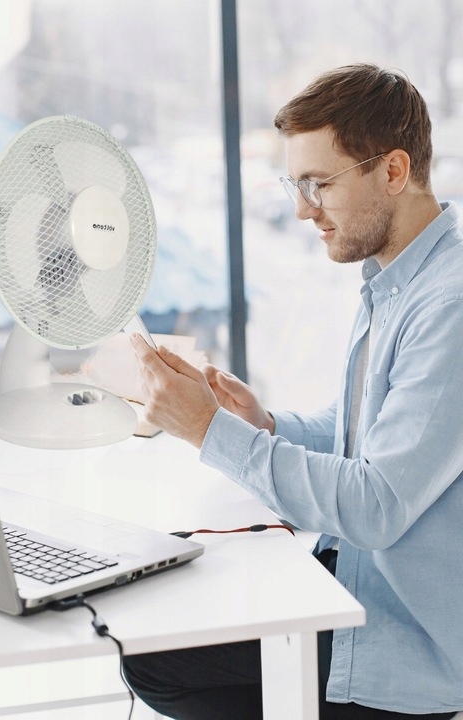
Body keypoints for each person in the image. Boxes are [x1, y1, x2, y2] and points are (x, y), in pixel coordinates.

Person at [125, 63, 463, 719]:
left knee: (157, 660)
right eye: (296, 185)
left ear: (394, 172)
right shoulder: (397, 279)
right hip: (358, 582)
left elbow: (375, 506)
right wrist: (266, 427)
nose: (304, 209)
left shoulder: (449, 305)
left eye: (319, 184)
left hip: (405, 641)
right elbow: (364, 431)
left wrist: (208, 431)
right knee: (157, 629)